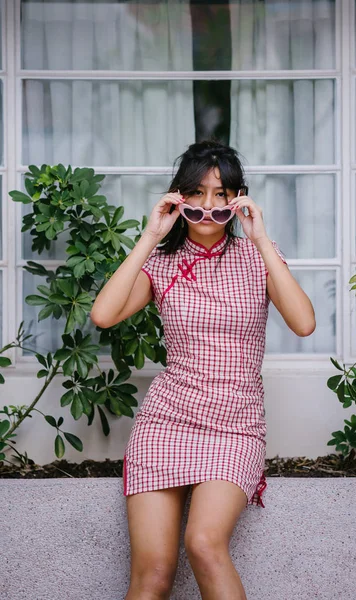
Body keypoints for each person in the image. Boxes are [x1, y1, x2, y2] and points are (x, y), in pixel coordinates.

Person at [90, 139, 316, 600]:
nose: (208, 204)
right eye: (196, 192)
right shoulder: (162, 261)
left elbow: (304, 322)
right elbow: (103, 315)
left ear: (237, 198)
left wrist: (259, 239)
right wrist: (151, 235)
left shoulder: (258, 255)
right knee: (151, 574)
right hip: (168, 420)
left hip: (235, 425)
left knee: (204, 543)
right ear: (179, 197)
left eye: (221, 193)